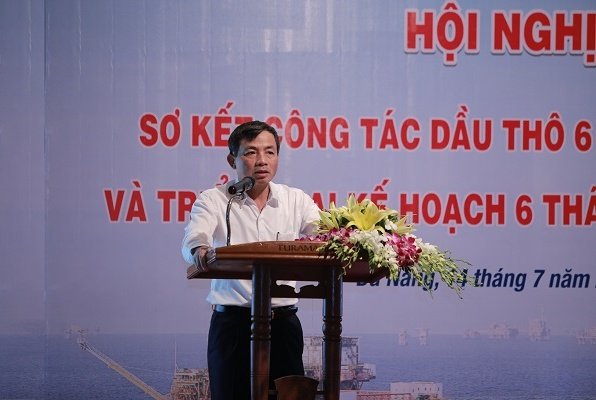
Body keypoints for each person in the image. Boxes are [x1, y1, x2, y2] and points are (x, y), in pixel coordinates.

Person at [181, 120, 321, 400]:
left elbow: (325, 235)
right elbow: (194, 239)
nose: (262, 161)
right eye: (251, 152)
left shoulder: (296, 200)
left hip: (283, 325)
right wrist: (199, 250)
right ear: (232, 159)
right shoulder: (214, 200)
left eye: (270, 152)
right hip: (233, 325)